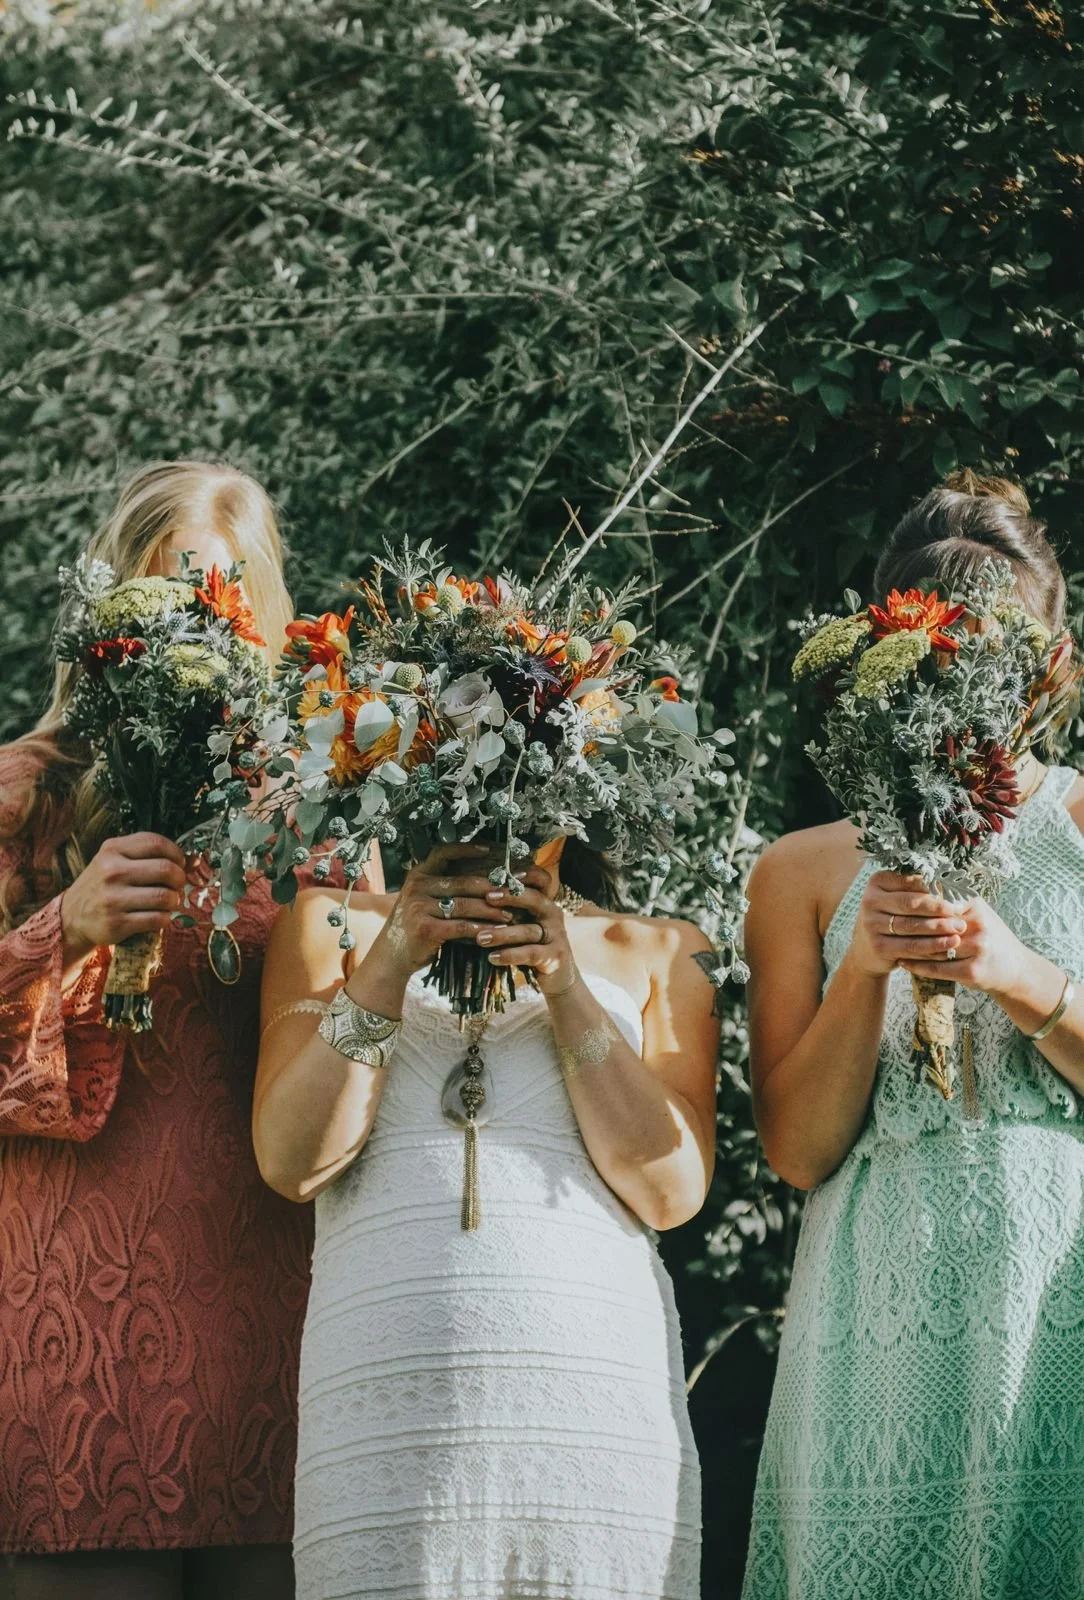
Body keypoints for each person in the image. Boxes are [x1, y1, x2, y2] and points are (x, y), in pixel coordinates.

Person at [0, 461, 380, 1600]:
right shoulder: (24, 792)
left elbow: (368, 1026)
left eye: (215, 596)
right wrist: (58, 927)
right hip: (72, 1297)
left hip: (274, 1284)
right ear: (110, 606)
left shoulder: (317, 802)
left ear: (257, 608)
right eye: (161, 594)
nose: (187, 626)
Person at [741, 471, 1084, 1600]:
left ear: (1052, 654)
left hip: (1056, 1278)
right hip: (873, 1296)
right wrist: (868, 971)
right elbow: (793, 1150)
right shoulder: (799, 871)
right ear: (891, 648)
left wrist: (1020, 974)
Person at [253, 835, 720, 1600]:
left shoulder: (661, 948)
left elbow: (670, 1191)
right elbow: (292, 1159)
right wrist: (395, 956)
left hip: (591, 1410)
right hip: (386, 1407)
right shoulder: (329, 925)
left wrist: (565, 985)